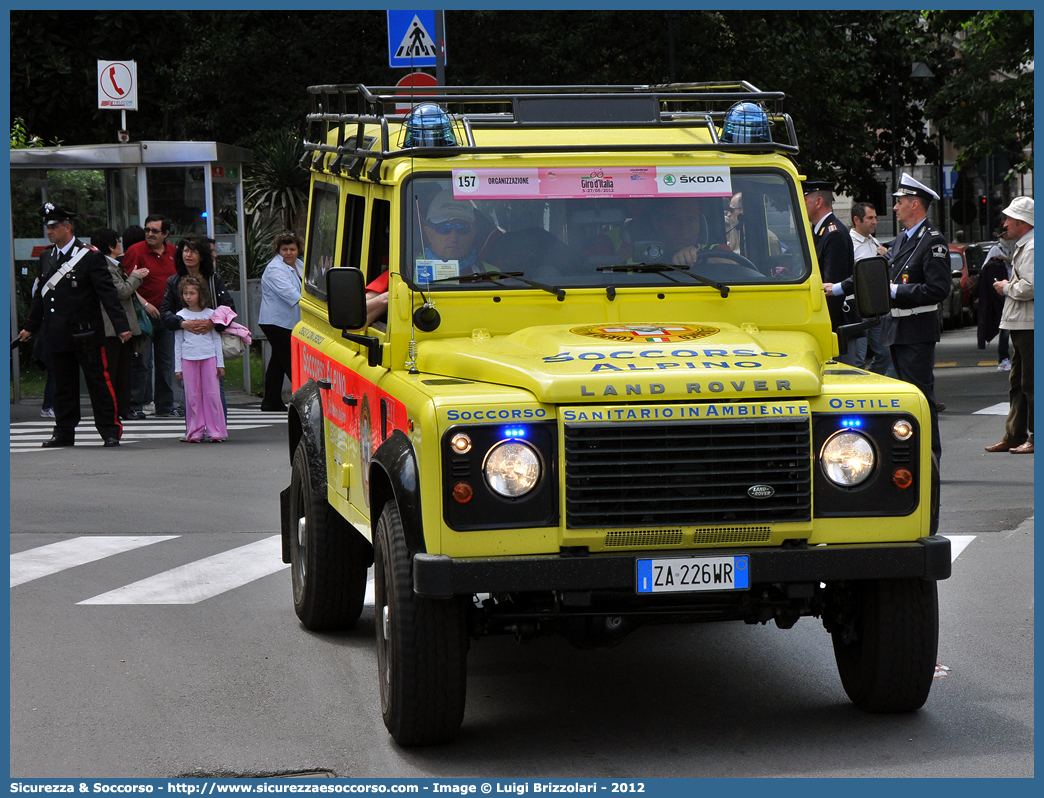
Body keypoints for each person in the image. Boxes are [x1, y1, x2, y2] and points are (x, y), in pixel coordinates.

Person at [17, 203, 131, 448]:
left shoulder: (90, 255)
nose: (50, 232)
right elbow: (42, 296)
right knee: (63, 385)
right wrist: (30, 327)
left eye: (55, 227)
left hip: (86, 331)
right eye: (48, 228)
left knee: (98, 382)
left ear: (68, 227)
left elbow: (107, 294)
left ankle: (110, 431)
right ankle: (64, 431)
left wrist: (121, 325)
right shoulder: (47, 256)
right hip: (57, 333)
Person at [881, 174, 951, 463]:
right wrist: (838, 288)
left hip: (917, 330)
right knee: (904, 401)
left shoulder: (933, 242)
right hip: (897, 328)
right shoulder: (902, 239)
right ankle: (911, 455)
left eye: (899, 202)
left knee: (922, 399)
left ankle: (930, 459)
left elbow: (938, 289)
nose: (895, 208)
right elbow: (880, 272)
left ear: (915, 205)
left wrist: (897, 290)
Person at [159, 234, 235, 420]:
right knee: (190, 387)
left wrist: (211, 322)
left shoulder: (213, 280)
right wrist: (182, 323)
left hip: (210, 338)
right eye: (185, 250)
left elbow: (229, 307)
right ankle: (194, 427)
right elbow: (165, 312)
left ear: (202, 255)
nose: (189, 255)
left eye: (193, 251)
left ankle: (218, 426)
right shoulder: (174, 281)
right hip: (186, 339)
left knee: (216, 385)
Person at [985, 197, 1034, 455]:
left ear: (1022, 222)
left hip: (1031, 324)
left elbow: (1031, 286)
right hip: (1023, 322)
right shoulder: (1025, 245)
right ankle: (1015, 435)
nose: (1005, 223)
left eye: (1009, 219)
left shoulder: (1033, 247)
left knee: (1031, 382)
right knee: (1018, 381)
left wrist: (1006, 287)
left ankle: (1033, 437)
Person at [122, 214, 179, 419]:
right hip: (143, 314)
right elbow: (125, 283)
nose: (150, 234)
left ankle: (165, 404)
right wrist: (144, 304)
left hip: (167, 314)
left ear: (165, 234)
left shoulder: (174, 252)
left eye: (155, 231)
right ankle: (135, 404)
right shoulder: (136, 251)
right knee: (141, 362)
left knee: (166, 361)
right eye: (147, 230)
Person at [804, 180, 861, 365]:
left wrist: (824, 330)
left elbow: (832, 289)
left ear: (818, 202)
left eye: (804, 199)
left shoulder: (833, 233)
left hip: (837, 325)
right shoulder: (820, 231)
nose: (800, 203)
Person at [93, 228, 148, 420]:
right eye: (117, 242)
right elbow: (121, 292)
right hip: (110, 328)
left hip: (122, 326)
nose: (120, 246)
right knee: (114, 372)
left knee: (125, 370)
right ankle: (114, 410)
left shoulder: (115, 265)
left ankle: (123, 409)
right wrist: (136, 276)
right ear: (110, 245)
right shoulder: (104, 267)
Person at [174, 276, 227, 443]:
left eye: (192, 293)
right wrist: (178, 367)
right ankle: (195, 431)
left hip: (209, 357)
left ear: (201, 294)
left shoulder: (211, 314)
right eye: (185, 293)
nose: (188, 296)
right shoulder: (180, 316)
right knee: (192, 396)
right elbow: (177, 343)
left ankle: (215, 430)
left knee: (212, 395)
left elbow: (217, 339)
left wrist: (220, 363)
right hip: (188, 359)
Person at [258, 232, 304, 412]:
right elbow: (291, 294)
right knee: (289, 360)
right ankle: (302, 398)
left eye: (292, 249)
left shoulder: (299, 264)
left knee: (277, 361)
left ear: (298, 249)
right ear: (278, 250)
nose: (288, 253)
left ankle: (271, 400)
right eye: (284, 249)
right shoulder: (275, 269)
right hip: (276, 322)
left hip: (288, 321)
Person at [849, 201, 895, 377]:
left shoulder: (873, 241)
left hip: (876, 308)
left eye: (875, 217)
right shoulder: (849, 243)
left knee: (885, 354)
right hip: (858, 309)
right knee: (858, 359)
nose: (874, 221)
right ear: (857, 220)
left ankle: (872, 382)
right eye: (870, 218)